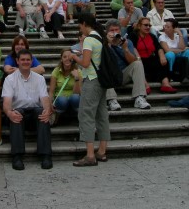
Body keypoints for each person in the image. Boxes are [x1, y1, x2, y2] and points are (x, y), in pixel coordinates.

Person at [69, 13, 110, 166]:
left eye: (80, 25)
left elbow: (85, 63)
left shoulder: (88, 40)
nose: (80, 29)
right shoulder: (100, 37)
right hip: (101, 80)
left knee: (85, 114)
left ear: (84, 24)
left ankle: (90, 155)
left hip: (91, 80)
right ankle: (102, 151)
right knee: (101, 114)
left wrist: (75, 58)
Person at [2, 49, 53, 170]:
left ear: (31, 61)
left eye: (28, 60)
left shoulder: (39, 78)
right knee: (15, 114)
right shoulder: (9, 79)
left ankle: (46, 156)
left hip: (34, 113)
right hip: (19, 113)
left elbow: (44, 98)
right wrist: (9, 113)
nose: (25, 62)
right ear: (17, 61)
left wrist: (47, 111)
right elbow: (7, 102)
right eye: (23, 60)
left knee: (42, 113)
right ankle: (17, 156)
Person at [104, 19, 151, 111]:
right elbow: (105, 61)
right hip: (110, 76)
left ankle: (139, 98)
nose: (114, 32)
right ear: (107, 32)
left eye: (116, 30)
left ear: (120, 31)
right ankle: (111, 100)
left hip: (122, 74)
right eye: (112, 30)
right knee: (104, 67)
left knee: (137, 63)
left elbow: (132, 61)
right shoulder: (103, 43)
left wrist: (125, 49)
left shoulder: (127, 42)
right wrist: (108, 44)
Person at [129, 17, 177, 94]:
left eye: (149, 25)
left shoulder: (152, 36)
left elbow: (158, 47)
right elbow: (133, 48)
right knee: (138, 64)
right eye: (145, 25)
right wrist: (138, 58)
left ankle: (165, 84)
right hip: (139, 59)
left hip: (150, 58)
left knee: (164, 61)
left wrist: (162, 56)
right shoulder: (133, 35)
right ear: (139, 26)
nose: (148, 27)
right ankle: (145, 85)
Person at [49, 48, 81, 126]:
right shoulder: (56, 71)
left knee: (75, 97)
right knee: (62, 100)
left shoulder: (78, 71)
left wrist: (76, 78)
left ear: (73, 59)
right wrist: (49, 104)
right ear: (61, 59)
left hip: (73, 102)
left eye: (69, 57)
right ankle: (57, 116)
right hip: (60, 102)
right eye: (65, 57)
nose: (67, 59)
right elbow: (51, 91)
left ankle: (79, 117)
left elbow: (78, 92)